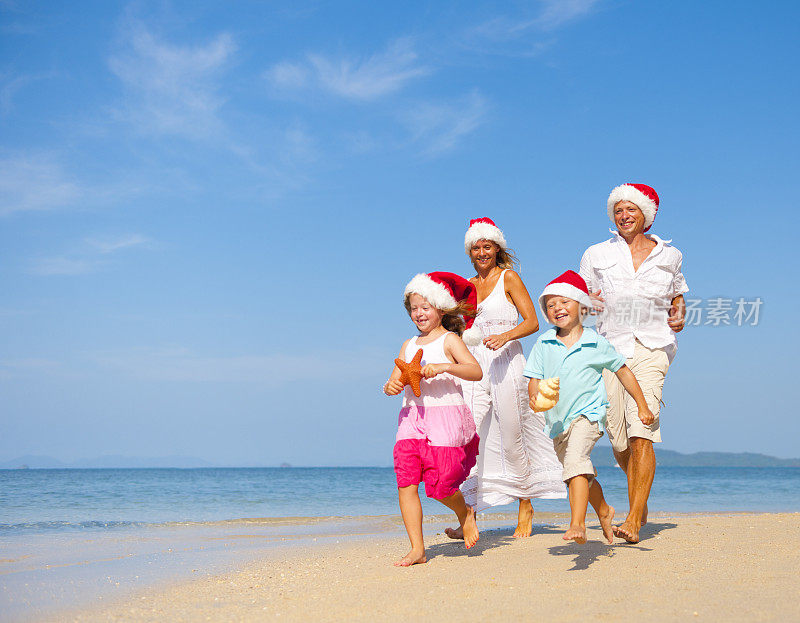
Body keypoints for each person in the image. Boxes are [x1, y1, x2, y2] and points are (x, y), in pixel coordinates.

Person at [579, 183, 688, 543]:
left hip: (653, 347)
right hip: (610, 350)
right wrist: (587, 302)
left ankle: (634, 520)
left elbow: (677, 295)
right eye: (619, 210)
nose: (624, 216)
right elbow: (579, 300)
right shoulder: (596, 253)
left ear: (647, 215)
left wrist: (679, 314)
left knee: (643, 428)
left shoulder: (670, 256)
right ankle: (639, 504)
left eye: (632, 210)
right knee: (620, 438)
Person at [448, 218, 565, 541]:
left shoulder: (508, 278)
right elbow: (458, 329)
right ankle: (468, 514)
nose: (482, 252)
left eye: (487, 246)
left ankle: (525, 503)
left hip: (508, 361)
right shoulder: (466, 287)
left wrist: (505, 335)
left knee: (513, 433)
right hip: (475, 364)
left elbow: (532, 322)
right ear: (470, 252)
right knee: (467, 434)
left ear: (497, 248)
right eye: (476, 247)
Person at [523, 270, 654, 544]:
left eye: (564, 301)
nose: (557, 308)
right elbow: (533, 379)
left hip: (588, 415)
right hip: (557, 422)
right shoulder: (544, 343)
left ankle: (577, 523)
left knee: (575, 462)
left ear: (582, 307)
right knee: (575, 474)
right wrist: (535, 397)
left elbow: (624, 372)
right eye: (550, 305)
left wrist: (641, 405)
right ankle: (604, 511)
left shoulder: (596, 343)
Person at [383, 271, 483, 566]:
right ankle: (418, 548)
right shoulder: (408, 345)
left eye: (425, 306)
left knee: (441, 486)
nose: (419, 313)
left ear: (440, 308)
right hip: (411, 419)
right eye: (414, 308)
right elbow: (396, 380)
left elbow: (475, 371)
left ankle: (465, 512)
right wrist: (391, 386)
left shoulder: (450, 340)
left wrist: (443, 367)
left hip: (445, 418)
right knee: (406, 482)